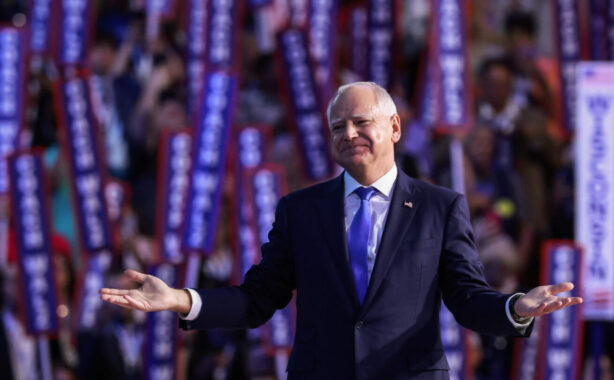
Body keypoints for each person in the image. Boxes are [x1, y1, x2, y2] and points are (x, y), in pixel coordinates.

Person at [101, 82, 582, 379]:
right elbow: (256, 300)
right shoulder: (300, 210)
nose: (348, 134)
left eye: (360, 122)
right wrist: (180, 299)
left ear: (394, 127)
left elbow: (467, 297)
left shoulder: (440, 207)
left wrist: (515, 307)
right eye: (337, 127)